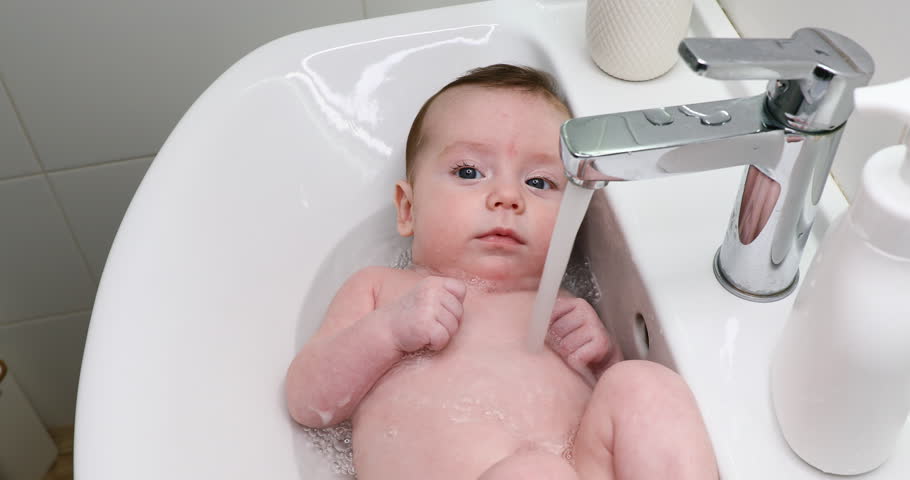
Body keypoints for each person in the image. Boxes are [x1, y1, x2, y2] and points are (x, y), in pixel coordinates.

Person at [285, 64, 718, 480]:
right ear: (408, 209)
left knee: (644, 385)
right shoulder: (381, 289)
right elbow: (308, 400)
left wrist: (603, 359)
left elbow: (607, 424)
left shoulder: (563, 308)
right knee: (535, 471)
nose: (507, 197)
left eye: (539, 182)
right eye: (469, 172)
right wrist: (388, 332)